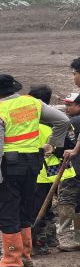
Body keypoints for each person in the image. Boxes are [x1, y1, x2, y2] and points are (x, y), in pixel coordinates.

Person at [0, 74, 70, 267]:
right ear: (14, 89)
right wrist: (52, 144)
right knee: (25, 207)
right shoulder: (33, 103)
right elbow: (63, 120)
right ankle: (24, 255)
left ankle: (12, 258)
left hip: (9, 167)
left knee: (5, 209)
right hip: (33, 165)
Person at [28, 86, 75, 255]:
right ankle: (50, 238)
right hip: (57, 171)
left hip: (41, 173)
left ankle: (39, 242)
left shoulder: (35, 123)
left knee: (37, 208)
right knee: (47, 208)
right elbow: (69, 144)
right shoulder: (60, 121)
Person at [57, 92, 80, 251]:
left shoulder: (74, 122)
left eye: (70, 105)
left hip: (75, 170)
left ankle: (65, 236)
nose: (67, 108)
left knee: (67, 199)